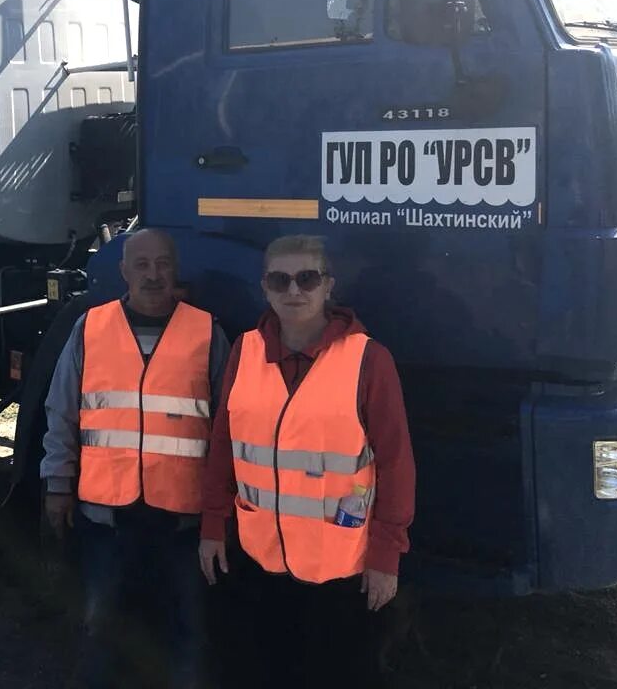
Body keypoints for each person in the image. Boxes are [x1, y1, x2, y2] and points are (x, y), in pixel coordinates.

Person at [198, 234, 415, 689]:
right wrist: (213, 526)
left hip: (342, 573)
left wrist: (386, 557)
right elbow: (222, 444)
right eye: (280, 279)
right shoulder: (245, 350)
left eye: (306, 278)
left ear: (328, 285)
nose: (293, 290)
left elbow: (396, 465)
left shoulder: (369, 360)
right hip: (259, 563)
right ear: (264, 288)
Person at [41, 228, 229, 689]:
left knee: (187, 632)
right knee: (98, 628)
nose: (153, 275)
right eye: (141, 264)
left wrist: (220, 513)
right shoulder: (91, 327)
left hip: (182, 523)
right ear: (123, 271)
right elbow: (61, 410)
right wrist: (57, 484)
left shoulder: (208, 332)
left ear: (175, 269)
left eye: (162, 263)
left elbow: (228, 430)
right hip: (107, 519)